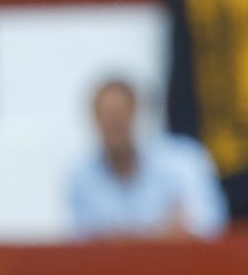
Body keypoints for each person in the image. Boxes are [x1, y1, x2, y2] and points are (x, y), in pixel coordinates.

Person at [67, 77, 228, 239]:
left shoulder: (184, 160)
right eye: (107, 115)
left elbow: (208, 228)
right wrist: (160, 233)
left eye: (119, 113)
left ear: (137, 112)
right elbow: (87, 242)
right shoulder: (81, 177)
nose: (114, 122)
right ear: (94, 118)